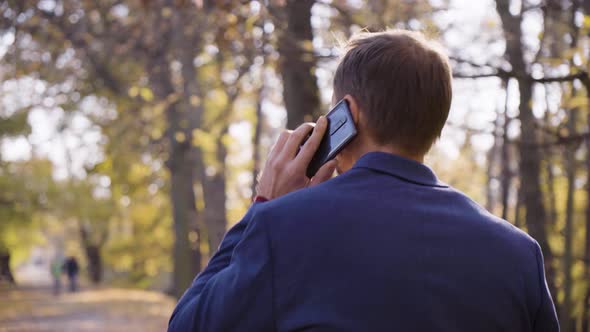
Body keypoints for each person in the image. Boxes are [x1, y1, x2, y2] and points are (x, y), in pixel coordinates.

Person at [168, 30, 559, 331]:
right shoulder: (519, 255)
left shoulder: (281, 228)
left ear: (348, 113)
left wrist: (264, 203)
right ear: (436, 121)